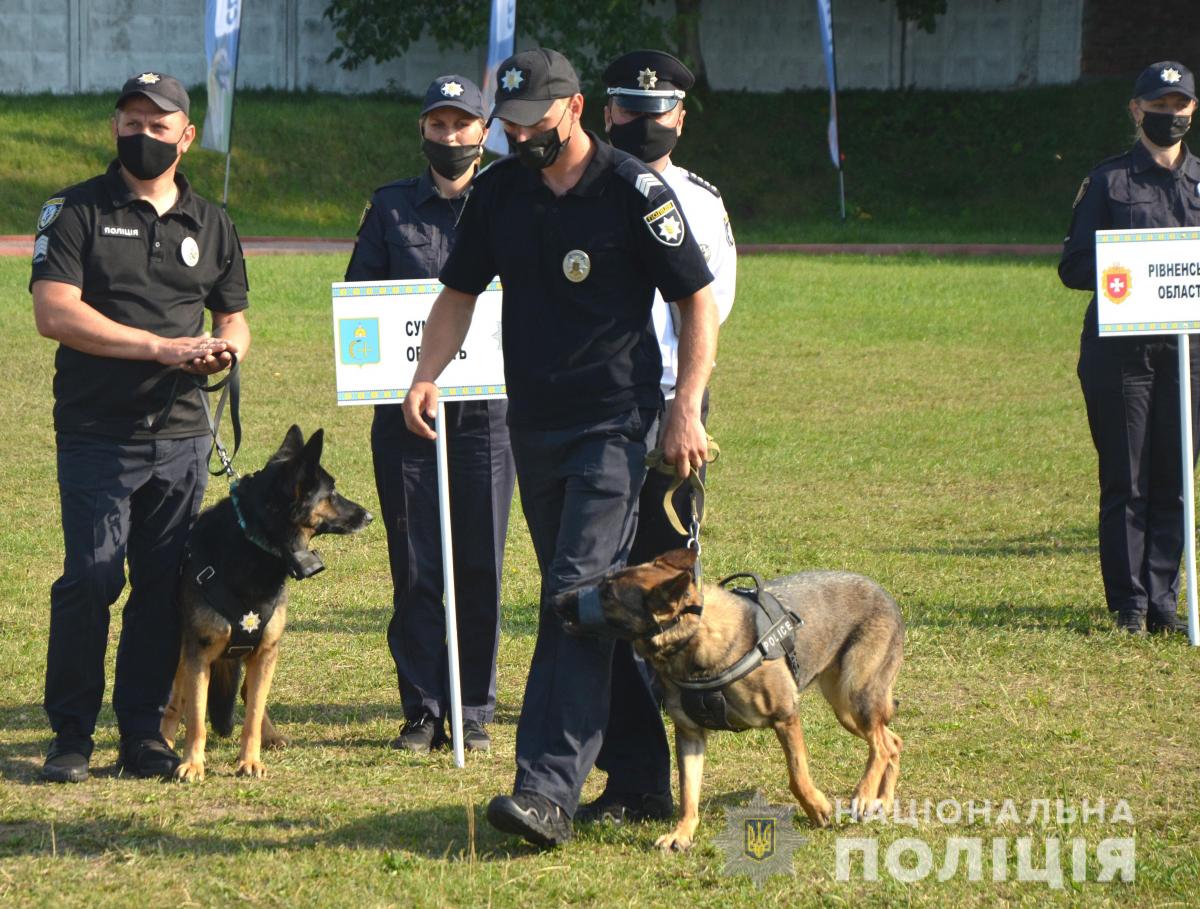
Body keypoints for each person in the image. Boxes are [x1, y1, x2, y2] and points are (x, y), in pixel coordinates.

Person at [401, 47, 718, 847]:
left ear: (575, 109)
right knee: (587, 598)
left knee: (575, 598)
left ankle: (544, 789)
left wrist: (684, 407)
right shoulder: (500, 192)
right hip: (533, 426)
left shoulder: (634, 191)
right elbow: (457, 295)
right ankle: (643, 772)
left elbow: (696, 300)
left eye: (533, 125)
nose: (518, 139)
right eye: (506, 127)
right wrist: (425, 373)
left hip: (616, 425)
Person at [30, 72, 251, 782]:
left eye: (159, 126)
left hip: (182, 433)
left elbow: (234, 316)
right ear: (113, 128)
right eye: (131, 121)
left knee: (162, 586)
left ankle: (140, 733)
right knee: (92, 579)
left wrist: (227, 347)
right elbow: (54, 312)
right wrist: (161, 347)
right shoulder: (74, 212)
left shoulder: (213, 222)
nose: (143, 135)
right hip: (99, 431)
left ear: (187, 137)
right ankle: (70, 734)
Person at [571, 49, 740, 826]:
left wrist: (687, 409)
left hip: (670, 420)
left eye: (657, 111)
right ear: (607, 114)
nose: (641, 122)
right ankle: (633, 778)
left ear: (678, 117)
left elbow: (705, 316)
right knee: (605, 597)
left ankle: (685, 782)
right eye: (628, 111)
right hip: (589, 418)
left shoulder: (701, 205)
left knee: (668, 602)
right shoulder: (576, 191)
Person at [345, 75, 515, 754]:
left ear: (485, 132)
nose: (451, 137)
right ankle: (421, 707)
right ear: (423, 131)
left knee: (481, 564)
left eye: (463, 125)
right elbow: (361, 305)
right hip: (407, 415)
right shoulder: (389, 210)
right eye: (438, 126)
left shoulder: (510, 200)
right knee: (415, 565)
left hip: (488, 416)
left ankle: (471, 706)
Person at [1060, 60, 1200, 636]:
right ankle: (1130, 606)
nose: (1169, 115)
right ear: (1136, 109)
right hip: (1120, 357)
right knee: (1127, 479)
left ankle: (1165, 602)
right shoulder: (1108, 181)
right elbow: (1071, 267)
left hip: (1187, 355)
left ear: (1191, 111)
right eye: (1158, 105)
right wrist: (1129, 267)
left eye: (1179, 105)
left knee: (1174, 479)